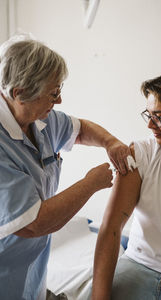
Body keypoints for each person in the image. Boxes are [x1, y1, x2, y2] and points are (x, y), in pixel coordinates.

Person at [0, 34, 132, 300]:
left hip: (33, 275)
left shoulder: (39, 120)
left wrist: (110, 141)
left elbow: (80, 129)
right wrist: (91, 183)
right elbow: (33, 224)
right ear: (20, 93)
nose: (59, 101)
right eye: (53, 93)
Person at [91, 70, 161, 300]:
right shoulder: (141, 153)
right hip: (138, 265)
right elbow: (110, 228)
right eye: (147, 115)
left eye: (159, 116)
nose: (150, 125)